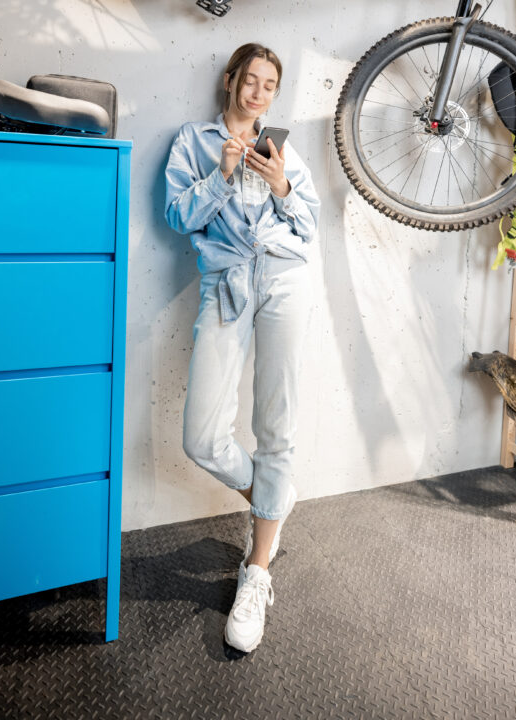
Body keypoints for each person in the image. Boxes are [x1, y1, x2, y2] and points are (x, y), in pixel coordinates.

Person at [165, 42, 320, 653]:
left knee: (275, 424)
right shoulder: (193, 141)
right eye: (249, 80)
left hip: (283, 279)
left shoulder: (283, 149)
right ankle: (270, 497)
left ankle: (257, 571)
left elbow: (307, 224)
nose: (256, 93)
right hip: (225, 283)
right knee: (202, 436)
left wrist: (281, 184)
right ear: (230, 81)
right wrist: (222, 176)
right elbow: (177, 216)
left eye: (268, 86)